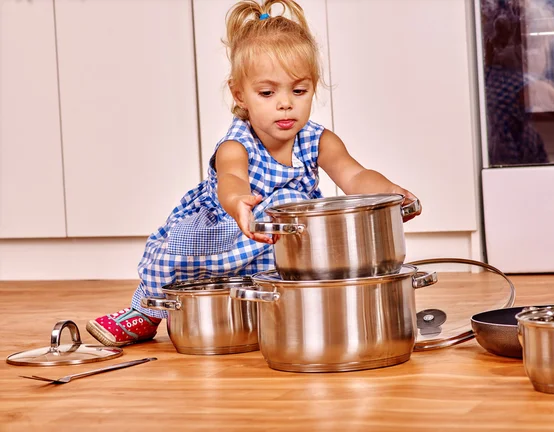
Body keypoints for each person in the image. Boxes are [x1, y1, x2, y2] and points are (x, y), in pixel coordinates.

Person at [86, 0, 420, 347]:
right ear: (239, 94)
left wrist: (389, 194)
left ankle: (286, 312)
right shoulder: (237, 144)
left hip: (281, 237)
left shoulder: (319, 140)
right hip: (229, 225)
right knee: (173, 255)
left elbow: (354, 175)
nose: (285, 103)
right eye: (267, 92)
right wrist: (238, 201)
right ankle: (148, 310)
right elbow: (231, 180)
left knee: (302, 230)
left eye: (299, 90)